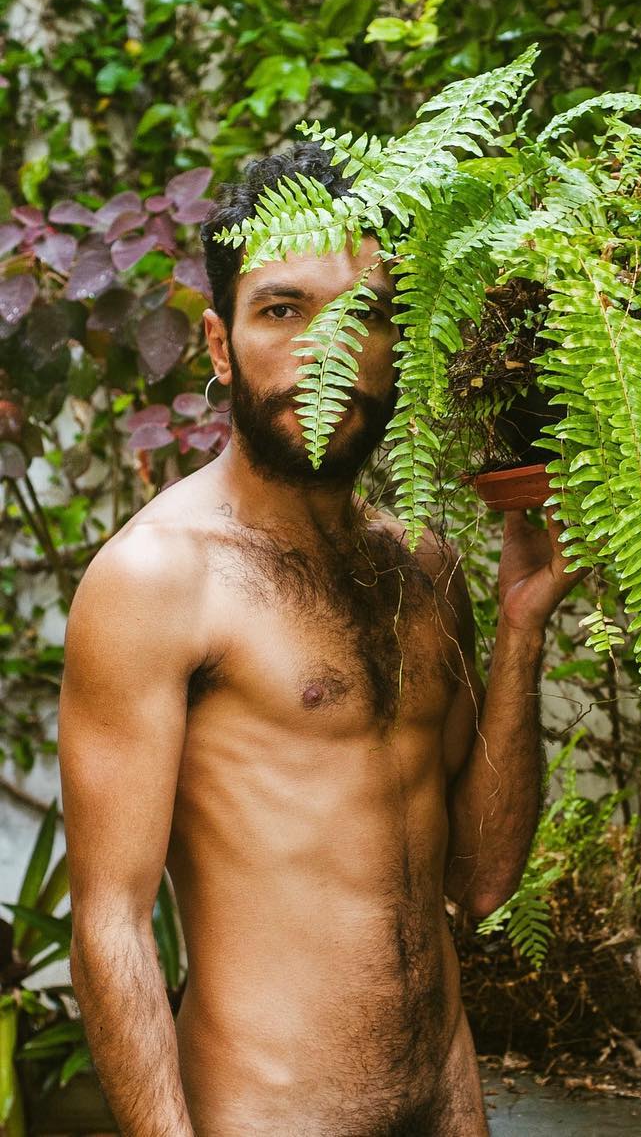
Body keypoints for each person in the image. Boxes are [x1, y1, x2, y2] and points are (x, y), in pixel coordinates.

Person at [57, 142, 584, 1136]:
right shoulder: (159, 580)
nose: (326, 350)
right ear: (221, 347)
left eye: (361, 315)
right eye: (283, 310)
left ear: (399, 342)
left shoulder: (426, 569)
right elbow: (110, 927)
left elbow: (480, 881)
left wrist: (521, 629)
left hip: (447, 1109)